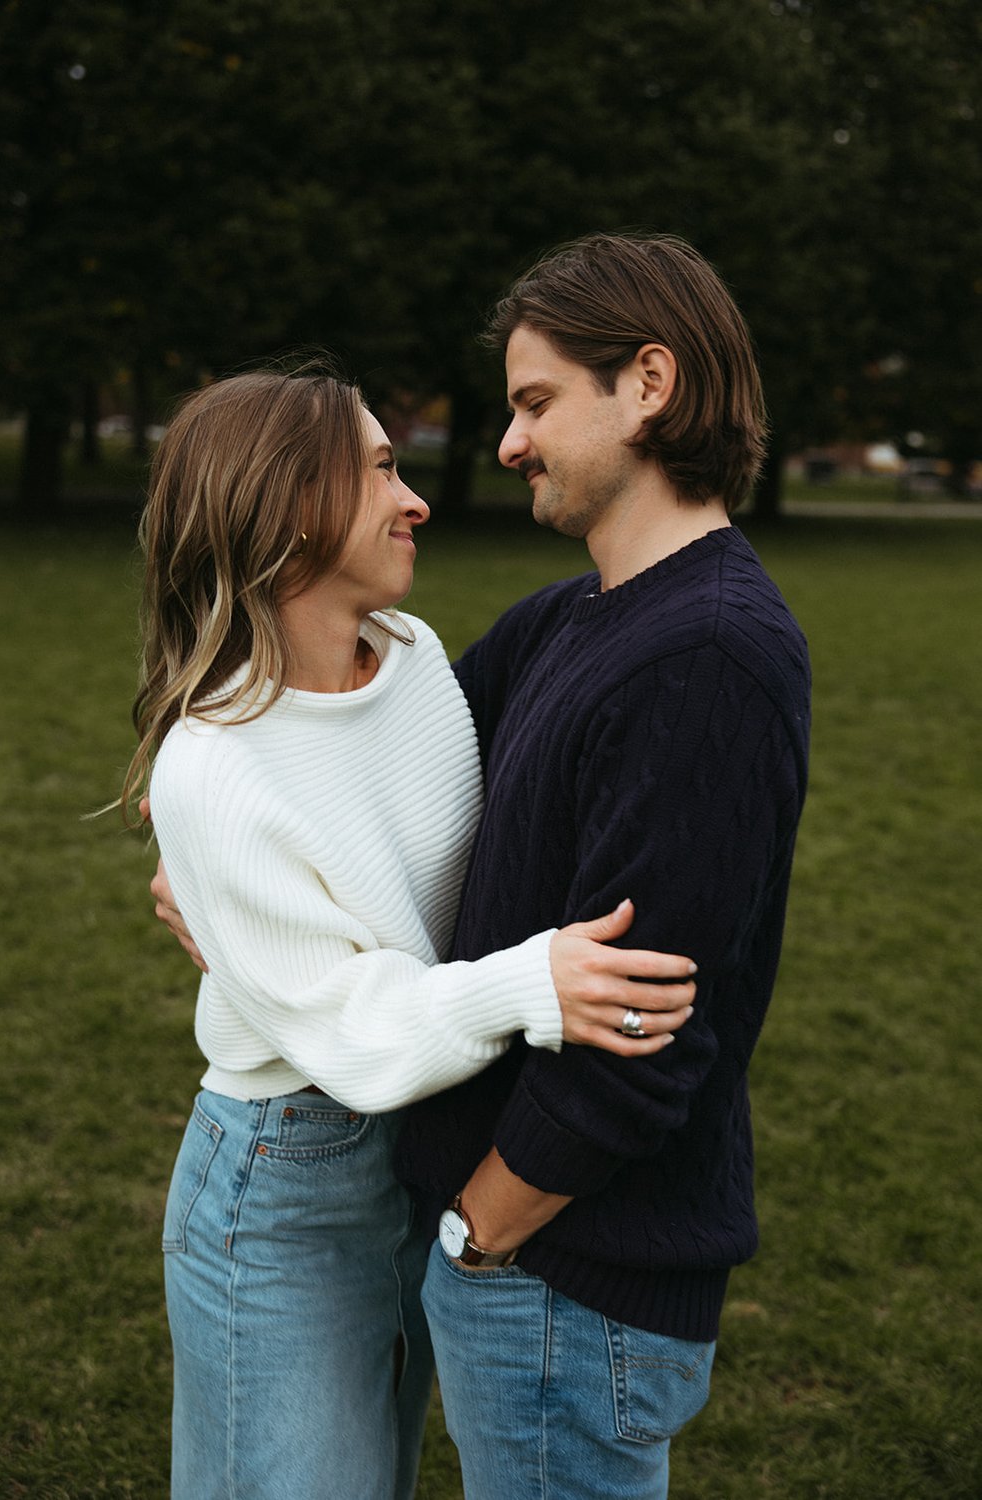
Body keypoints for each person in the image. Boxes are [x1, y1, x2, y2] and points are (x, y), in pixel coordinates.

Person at [126, 366, 698, 1500]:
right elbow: (350, 1028)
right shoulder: (214, 767)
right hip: (287, 1175)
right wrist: (525, 984)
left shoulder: (418, 655)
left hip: (418, 1142)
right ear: (289, 504)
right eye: (381, 468)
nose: (417, 498)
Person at [389, 233, 812, 1500]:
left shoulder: (709, 656)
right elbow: (388, 759)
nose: (509, 443)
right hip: (526, 1266)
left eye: (533, 404)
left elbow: (645, 1025)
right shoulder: (569, 617)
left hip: (567, 1276)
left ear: (648, 382)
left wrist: (482, 1233)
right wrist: (212, 839)